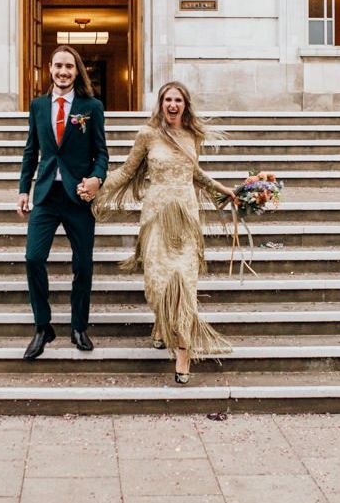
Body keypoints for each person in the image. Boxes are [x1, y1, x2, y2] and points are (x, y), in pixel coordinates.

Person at [82, 81, 234, 383]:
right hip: (155, 218)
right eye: (168, 100)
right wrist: (97, 186)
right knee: (156, 284)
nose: (173, 105)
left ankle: (183, 351)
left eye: (178, 100)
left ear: (185, 104)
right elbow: (127, 171)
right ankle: (161, 322)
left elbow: (195, 173)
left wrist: (222, 190)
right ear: (161, 104)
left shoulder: (193, 135)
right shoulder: (147, 135)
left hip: (187, 219)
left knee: (184, 284)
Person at [17, 45, 109, 360]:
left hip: (78, 196)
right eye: (58, 66)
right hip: (45, 195)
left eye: (69, 66)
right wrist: (23, 189)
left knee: (83, 265)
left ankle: (78, 327)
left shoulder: (91, 107)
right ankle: (43, 327)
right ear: (50, 69)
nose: (63, 72)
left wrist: (97, 179)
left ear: (76, 70)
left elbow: (102, 154)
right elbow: (32, 150)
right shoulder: (38, 106)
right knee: (33, 258)